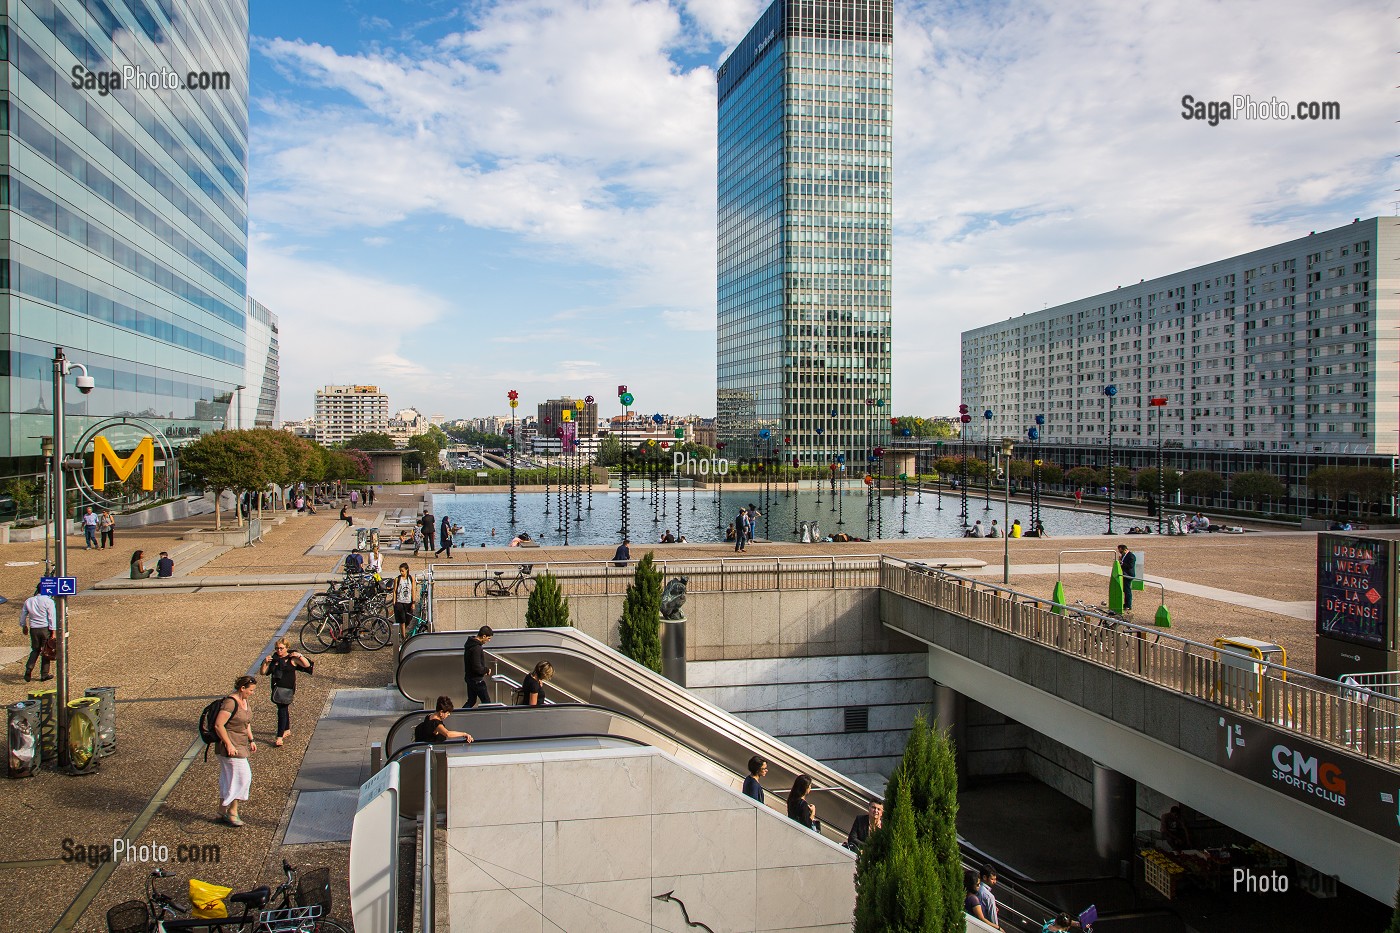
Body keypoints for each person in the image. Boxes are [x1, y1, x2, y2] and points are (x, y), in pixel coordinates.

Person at [213, 675, 258, 827]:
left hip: (241, 744)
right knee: (243, 777)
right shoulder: (230, 703)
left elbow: (247, 722)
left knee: (228, 778)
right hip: (230, 747)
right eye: (250, 690)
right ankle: (232, 811)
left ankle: (221, 811)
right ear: (242, 688)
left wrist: (251, 740)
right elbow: (219, 725)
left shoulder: (244, 700)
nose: (252, 693)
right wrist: (228, 744)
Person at [259, 639, 313, 747]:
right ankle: (287, 729)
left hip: (287, 689)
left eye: (281, 648)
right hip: (277, 688)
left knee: (281, 711)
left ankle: (279, 736)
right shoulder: (273, 659)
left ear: (287, 648)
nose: (279, 650)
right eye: (277, 648)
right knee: (283, 709)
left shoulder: (292, 659)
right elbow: (263, 672)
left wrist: (299, 656)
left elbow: (307, 665)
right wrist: (265, 663)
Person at [20, 582, 56, 682]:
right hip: (45, 628)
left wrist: (24, 626)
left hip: (34, 629)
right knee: (46, 651)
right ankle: (44, 674)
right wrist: (53, 631)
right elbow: (51, 617)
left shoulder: (29, 601)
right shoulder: (48, 601)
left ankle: (29, 668)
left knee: (35, 649)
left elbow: (23, 615)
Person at [463, 625, 494, 708]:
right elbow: (477, 667)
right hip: (477, 680)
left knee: (471, 701)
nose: (489, 640)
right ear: (484, 636)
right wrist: (486, 670)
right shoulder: (477, 648)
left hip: (470, 678)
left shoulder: (470, 645)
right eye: (488, 638)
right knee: (487, 702)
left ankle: (460, 715)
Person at [393, 563, 416, 639]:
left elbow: (413, 590)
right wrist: (394, 601)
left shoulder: (411, 578)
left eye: (402, 571)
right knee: (402, 620)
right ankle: (403, 636)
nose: (401, 572)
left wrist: (413, 602)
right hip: (400, 602)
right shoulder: (397, 579)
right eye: (400, 571)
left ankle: (402, 631)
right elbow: (395, 590)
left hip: (408, 602)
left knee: (408, 619)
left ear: (407, 570)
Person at [978, 864, 1002, 930]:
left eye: (995, 879)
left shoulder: (976, 888)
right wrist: (998, 929)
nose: (995, 882)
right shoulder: (989, 896)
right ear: (985, 877)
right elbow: (993, 919)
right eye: (992, 879)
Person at [1116, 544, 1137, 610]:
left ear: (1125, 549)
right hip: (1124, 574)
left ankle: (1128, 605)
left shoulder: (1131, 556)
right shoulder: (1124, 555)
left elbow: (1130, 566)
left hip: (1128, 575)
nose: (1120, 553)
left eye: (1121, 551)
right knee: (1125, 590)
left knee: (1127, 590)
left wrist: (1121, 563)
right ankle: (1126, 603)